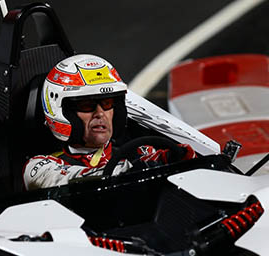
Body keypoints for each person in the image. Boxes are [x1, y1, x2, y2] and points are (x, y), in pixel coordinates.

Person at [23, 54, 195, 190]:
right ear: (62, 111)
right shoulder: (40, 167)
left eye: (107, 104)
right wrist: (133, 170)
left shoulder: (139, 153)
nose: (100, 114)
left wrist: (182, 159)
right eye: (87, 105)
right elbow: (77, 180)